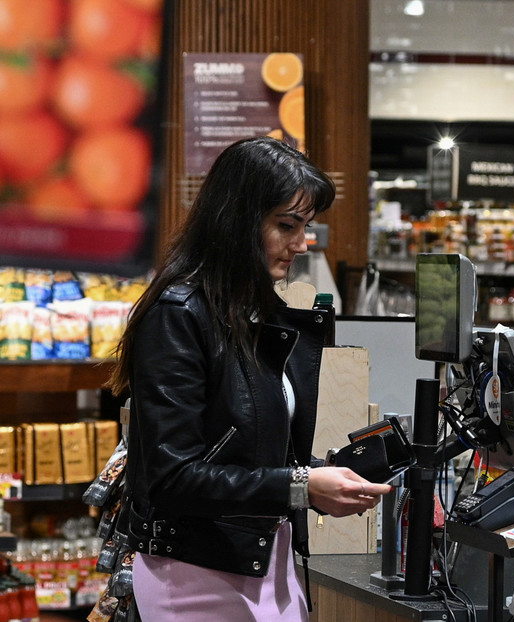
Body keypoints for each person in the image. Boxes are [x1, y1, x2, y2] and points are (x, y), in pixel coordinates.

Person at [105, 136, 393, 621]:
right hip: (196, 574)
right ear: (236, 221)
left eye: (306, 226)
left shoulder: (254, 315)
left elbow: (249, 453)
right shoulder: (178, 314)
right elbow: (171, 476)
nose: (302, 244)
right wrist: (302, 485)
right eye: (287, 225)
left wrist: (324, 477)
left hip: (268, 562)